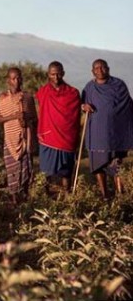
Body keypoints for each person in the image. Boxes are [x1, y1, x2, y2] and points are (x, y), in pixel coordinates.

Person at [81, 59, 133, 199]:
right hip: (96, 132)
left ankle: (120, 194)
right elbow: (82, 103)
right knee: (98, 165)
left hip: (114, 133)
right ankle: (104, 194)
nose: (100, 70)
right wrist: (84, 107)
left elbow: (127, 105)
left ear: (108, 68)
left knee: (116, 165)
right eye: (96, 68)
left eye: (103, 67)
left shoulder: (118, 85)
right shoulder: (89, 87)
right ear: (92, 71)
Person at [35, 61, 81, 194]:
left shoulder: (73, 93)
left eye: (59, 74)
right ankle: (45, 197)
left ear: (63, 74)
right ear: (48, 74)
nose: (56, 77)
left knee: (66, 173)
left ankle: (67, 196)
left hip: (67, 138)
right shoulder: (43, 92)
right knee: (46, 172)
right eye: (53, 74)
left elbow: (76, 112)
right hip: (48, 137)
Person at [0, 67, 37, 203]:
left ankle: (25, 200)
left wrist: (27, 121)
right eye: (13, 78)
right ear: (8, 80)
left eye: (19, 78)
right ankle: (14, 201)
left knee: (26, 170)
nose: (17, 81)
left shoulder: (28, 97)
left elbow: (34, 118)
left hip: (26, 139)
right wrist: (13, 116)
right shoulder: (3, 98)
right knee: (12, 171)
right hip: (10, 140)